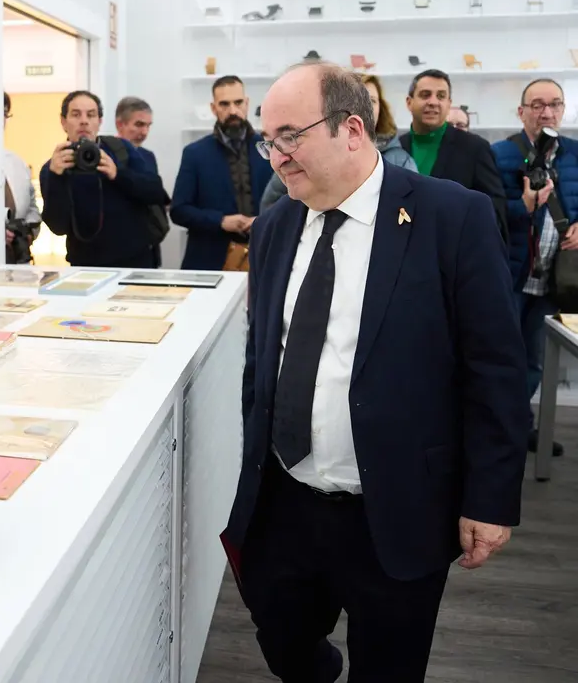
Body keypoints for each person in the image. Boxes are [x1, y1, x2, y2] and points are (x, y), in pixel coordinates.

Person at [226, 62, 527, 682]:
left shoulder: (453, 217)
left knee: (389, 667)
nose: (275, 156)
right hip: (284, 499)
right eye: (268, 140)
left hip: (395, 508)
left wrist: (490, 497)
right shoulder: (278, 224)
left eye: (289, 136)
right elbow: (265, 355)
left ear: (353, 129)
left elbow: (495, 367)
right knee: (283, 642)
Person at [491, 78, 578, 457]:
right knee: (496, 357)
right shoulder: (497, 154)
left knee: (533, 361)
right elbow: (485, 214)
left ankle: (518, 426)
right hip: (506, 276)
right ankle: (492, 427)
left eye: (554, 104)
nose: (547, 111)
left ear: (562, 109)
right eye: (537, 104)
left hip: (552, 280)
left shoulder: (576, 154)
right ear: (521, 111)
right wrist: (524, 206)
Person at [40, 90, 168, 268]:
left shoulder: (120, 148)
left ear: (99, 122)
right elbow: (58, 227)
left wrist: (118, 175)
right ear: (63, 122)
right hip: (85, 266)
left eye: (91, 115)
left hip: (135, 262)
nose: (84, 121)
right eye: (76, 115)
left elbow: (155, 192)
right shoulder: (54, 167)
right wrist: (56, 178)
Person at [259, 73, 418, 212]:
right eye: (270, 143)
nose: (362, 107)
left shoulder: (400, 160)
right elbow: (270, 207)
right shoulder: (294, 160)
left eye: (371, 100)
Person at [171, 75, 272, 271]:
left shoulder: (269, 148)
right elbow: (179, 210)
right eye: (224, 104)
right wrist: (220, 221)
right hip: (210, 260)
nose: (233, 110)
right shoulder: (194, 153)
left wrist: (262, 221)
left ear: (247, 103)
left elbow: (290, 201)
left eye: (238, 102)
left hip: (266, 256)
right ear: (213, 108)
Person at [400, 69, 509, 245]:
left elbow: (494, 207)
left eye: (441, 96)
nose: (433, 102)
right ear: (409, 102)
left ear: (449, 103)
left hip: (455, 257)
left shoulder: (474, 148)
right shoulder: (396, 148)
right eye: (425, 95)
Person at [116, 96, 166, 266]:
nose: (144, 132)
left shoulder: (148, 156)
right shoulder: (107, 156)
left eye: (148, 126)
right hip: (118, 249)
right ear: (120, 124)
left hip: (148, 247)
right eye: (139, 124)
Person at [2, 93, 41, 264]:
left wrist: (28, 234)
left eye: (4, 112)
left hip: (18, 260)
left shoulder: (17, 163)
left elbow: (32, 206)